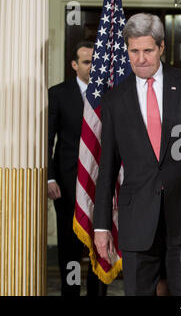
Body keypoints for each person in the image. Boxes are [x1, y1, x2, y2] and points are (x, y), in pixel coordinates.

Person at [93, 13, 181, 296]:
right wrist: (101, 227)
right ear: (127, 50)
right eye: (134, 51)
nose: (141, 58)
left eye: (147, 50)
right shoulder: (113, 100)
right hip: (137, 220)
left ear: (161, 48)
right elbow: (106, 169)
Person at [48, 41, 107, 296]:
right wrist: (49, 177)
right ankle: (70, 293)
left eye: (95, 60)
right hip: (67, 185)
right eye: (86, 62)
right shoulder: (58, 94)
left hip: (102, 184)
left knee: (100, 245)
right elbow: (46, 140)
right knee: (70, 248)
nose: (93, 66)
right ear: (74, 65)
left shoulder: (111, 93)